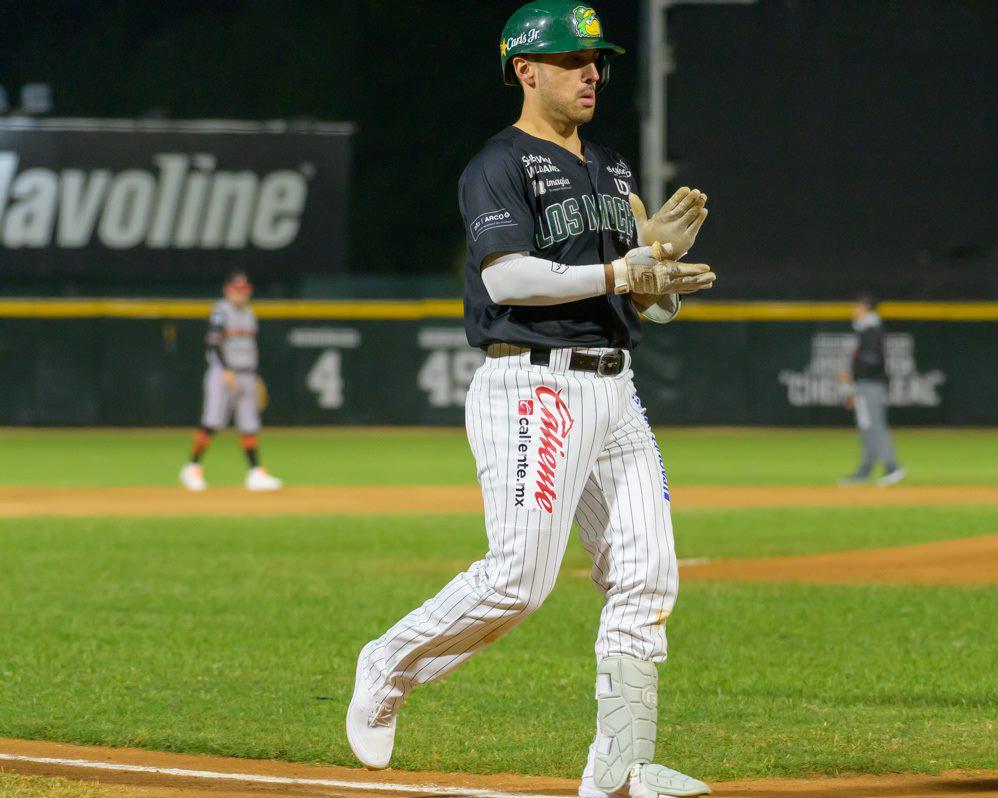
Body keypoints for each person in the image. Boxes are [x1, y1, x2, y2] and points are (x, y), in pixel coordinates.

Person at [344, 4, 715, 798]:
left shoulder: (612, 168)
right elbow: (507, 278)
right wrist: (626, 271)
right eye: (574, 57)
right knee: (519, 576)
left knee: (648, 576)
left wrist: (658, 272)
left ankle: (619, 772)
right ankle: (387, 663)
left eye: (597, 58)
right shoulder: (498, 164)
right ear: (526, 69)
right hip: (533, 383)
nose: (592, 71)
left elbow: (634, 300)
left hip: (614, 387)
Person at [179, 271, 283, 492]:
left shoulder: (250, 314)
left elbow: (250, 347)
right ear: (227, 291)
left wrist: (254, 375)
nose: (240, 294)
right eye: (236, 290)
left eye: (244, 290)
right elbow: (214, 344)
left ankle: (255, 473)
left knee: (249, 425)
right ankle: (192, 468)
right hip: (223, 373)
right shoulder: (220, 312)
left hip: (247, 373)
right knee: (212, 422)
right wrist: (226, 370)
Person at [838, 296, 905, 486]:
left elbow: (872, 360)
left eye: (857, 306)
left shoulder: (873, 330)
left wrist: (851, 374)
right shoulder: (864, 329)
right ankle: (864, 472)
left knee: (875, 427)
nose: (854, 309)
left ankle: (893, 466)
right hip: (865, 384)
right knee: (867, 429)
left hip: (871, 384)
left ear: (866, 309)